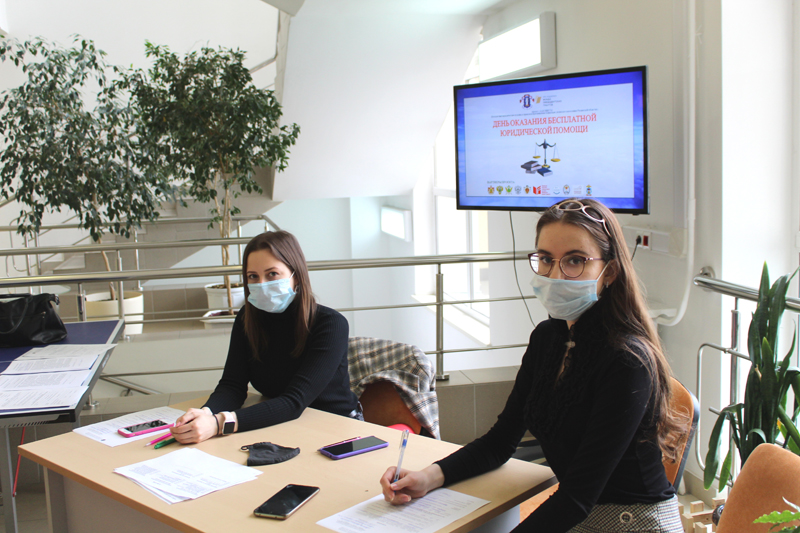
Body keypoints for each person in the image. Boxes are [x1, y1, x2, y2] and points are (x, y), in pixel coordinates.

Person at [380, 199, 686, 533]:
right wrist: (428, 476)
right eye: (545, 259)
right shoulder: (548, 338)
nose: (556, 275)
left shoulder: (627, 360)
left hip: (635, 523)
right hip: (578, 515)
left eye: (575, 260)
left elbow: (577, 497)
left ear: (609, 272)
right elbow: (500, 441)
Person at [171, 230, 359, 443]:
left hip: (335, 430)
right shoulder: (247, 318)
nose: (261, 284)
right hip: (279, 426)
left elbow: (294, 401)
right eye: (253, 276)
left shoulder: (330, 324)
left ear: (296, 275)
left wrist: (218, 423)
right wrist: (205, 414)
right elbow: (232, 386)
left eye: (272, 274)